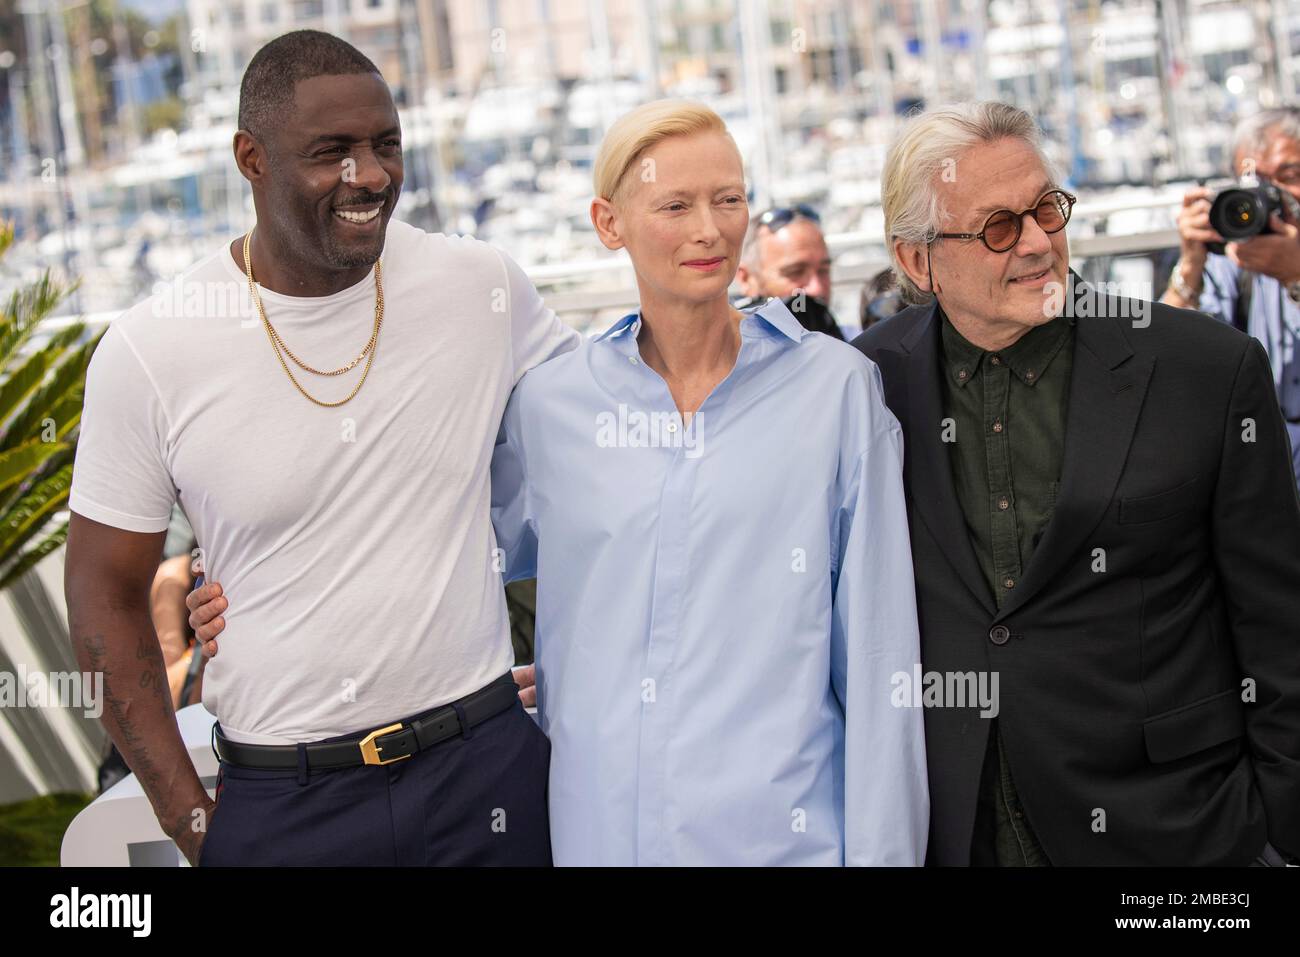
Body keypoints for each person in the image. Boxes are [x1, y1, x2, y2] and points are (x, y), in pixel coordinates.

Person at [193, 99, 930, 866]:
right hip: (597, 840)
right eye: (674, 205)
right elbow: (425, 550)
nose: (709, 229)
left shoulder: (834, 390)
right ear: (608, 223)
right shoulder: (552, 408)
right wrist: (241, 584)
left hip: (788, 841)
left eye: (729, 198)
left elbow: (881, 658)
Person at [64, 30, 574, 867]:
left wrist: (570, 669)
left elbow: (611, 451)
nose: (369, 175)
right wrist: (195, 824)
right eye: (331, 151)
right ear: (251, 158)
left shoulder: (480, 287)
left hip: (486, 774)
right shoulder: (151, 350)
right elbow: (101, 603)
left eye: (385, 145)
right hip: (285, 805)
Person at [852, 100, 1300, 866]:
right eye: (998, 226)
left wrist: (1281, 832)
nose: (1035, 244)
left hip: (1175, 837)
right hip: (959, 830)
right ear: (917, 260)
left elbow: (1280, 624)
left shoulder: (1204, 369)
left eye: (1047, 210)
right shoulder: (865, 381)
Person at [1162, 107, 1300, 487]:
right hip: (1266, 482)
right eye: (1255, 182)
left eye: (1288, 177)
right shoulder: (1234, 261)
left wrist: (1295, 274)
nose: (1271, 197)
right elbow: (1162, 360)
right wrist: (1191, 263)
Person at [735, 204, 844, 339]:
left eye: (823, 271)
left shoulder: (856, 346)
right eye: (795, 272)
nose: (817, 289)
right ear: (746, 278)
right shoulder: (726, 354)